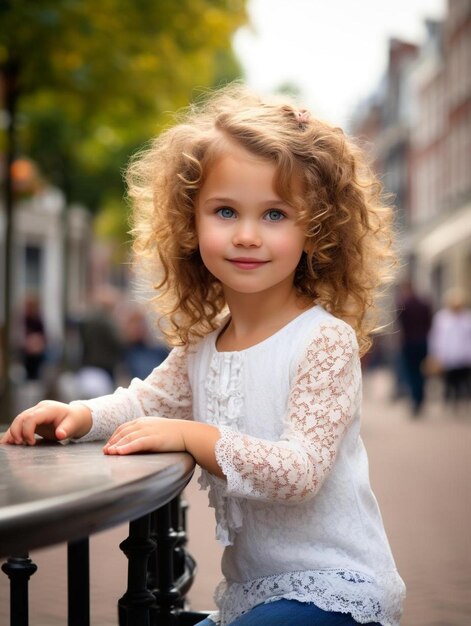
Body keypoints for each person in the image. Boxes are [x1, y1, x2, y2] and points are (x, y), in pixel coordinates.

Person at [1, 85, 405, 626]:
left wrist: (195, 436)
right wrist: (81, 416)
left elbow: (300, 471)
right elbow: (149, 401)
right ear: (191, 223)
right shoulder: (205, 343)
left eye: (275, 215)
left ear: (317, 230)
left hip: (335, 588)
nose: (246, 235)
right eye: (224, 211)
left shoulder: (322, 342)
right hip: (252, 590)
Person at [428, 288, 471, 406]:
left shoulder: (467, 318)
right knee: (449, 380)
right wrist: (436, 354)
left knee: (463, 380)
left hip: (464, 355)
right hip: (447, 355)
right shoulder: (442, 318)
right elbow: (436, 337)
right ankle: (450, 400)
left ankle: (461, 399)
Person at [396, 281, 432, 415]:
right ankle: (420, 398)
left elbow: (400, 326)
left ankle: (416, 399)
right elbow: (429, 323)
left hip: (409, 343)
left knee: (412, 372)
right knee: (421, 371)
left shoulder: (402, 305)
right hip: (422, 341)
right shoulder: (424, 304)